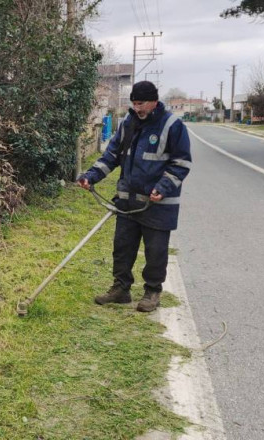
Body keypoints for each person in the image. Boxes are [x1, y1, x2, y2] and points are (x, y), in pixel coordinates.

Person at [77, 81, 191, 312]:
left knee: (155, 250)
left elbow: (181, 163)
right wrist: (91, 176)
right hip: (127, 202)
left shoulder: (172, 125)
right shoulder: (128, 124)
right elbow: (111, 156)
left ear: (154, 102)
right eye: (134, 103)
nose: (137, 108)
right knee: (122, 247)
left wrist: (163, 187)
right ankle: (121, 289)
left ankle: (152, 291)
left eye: (141, 104)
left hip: (157, 203)